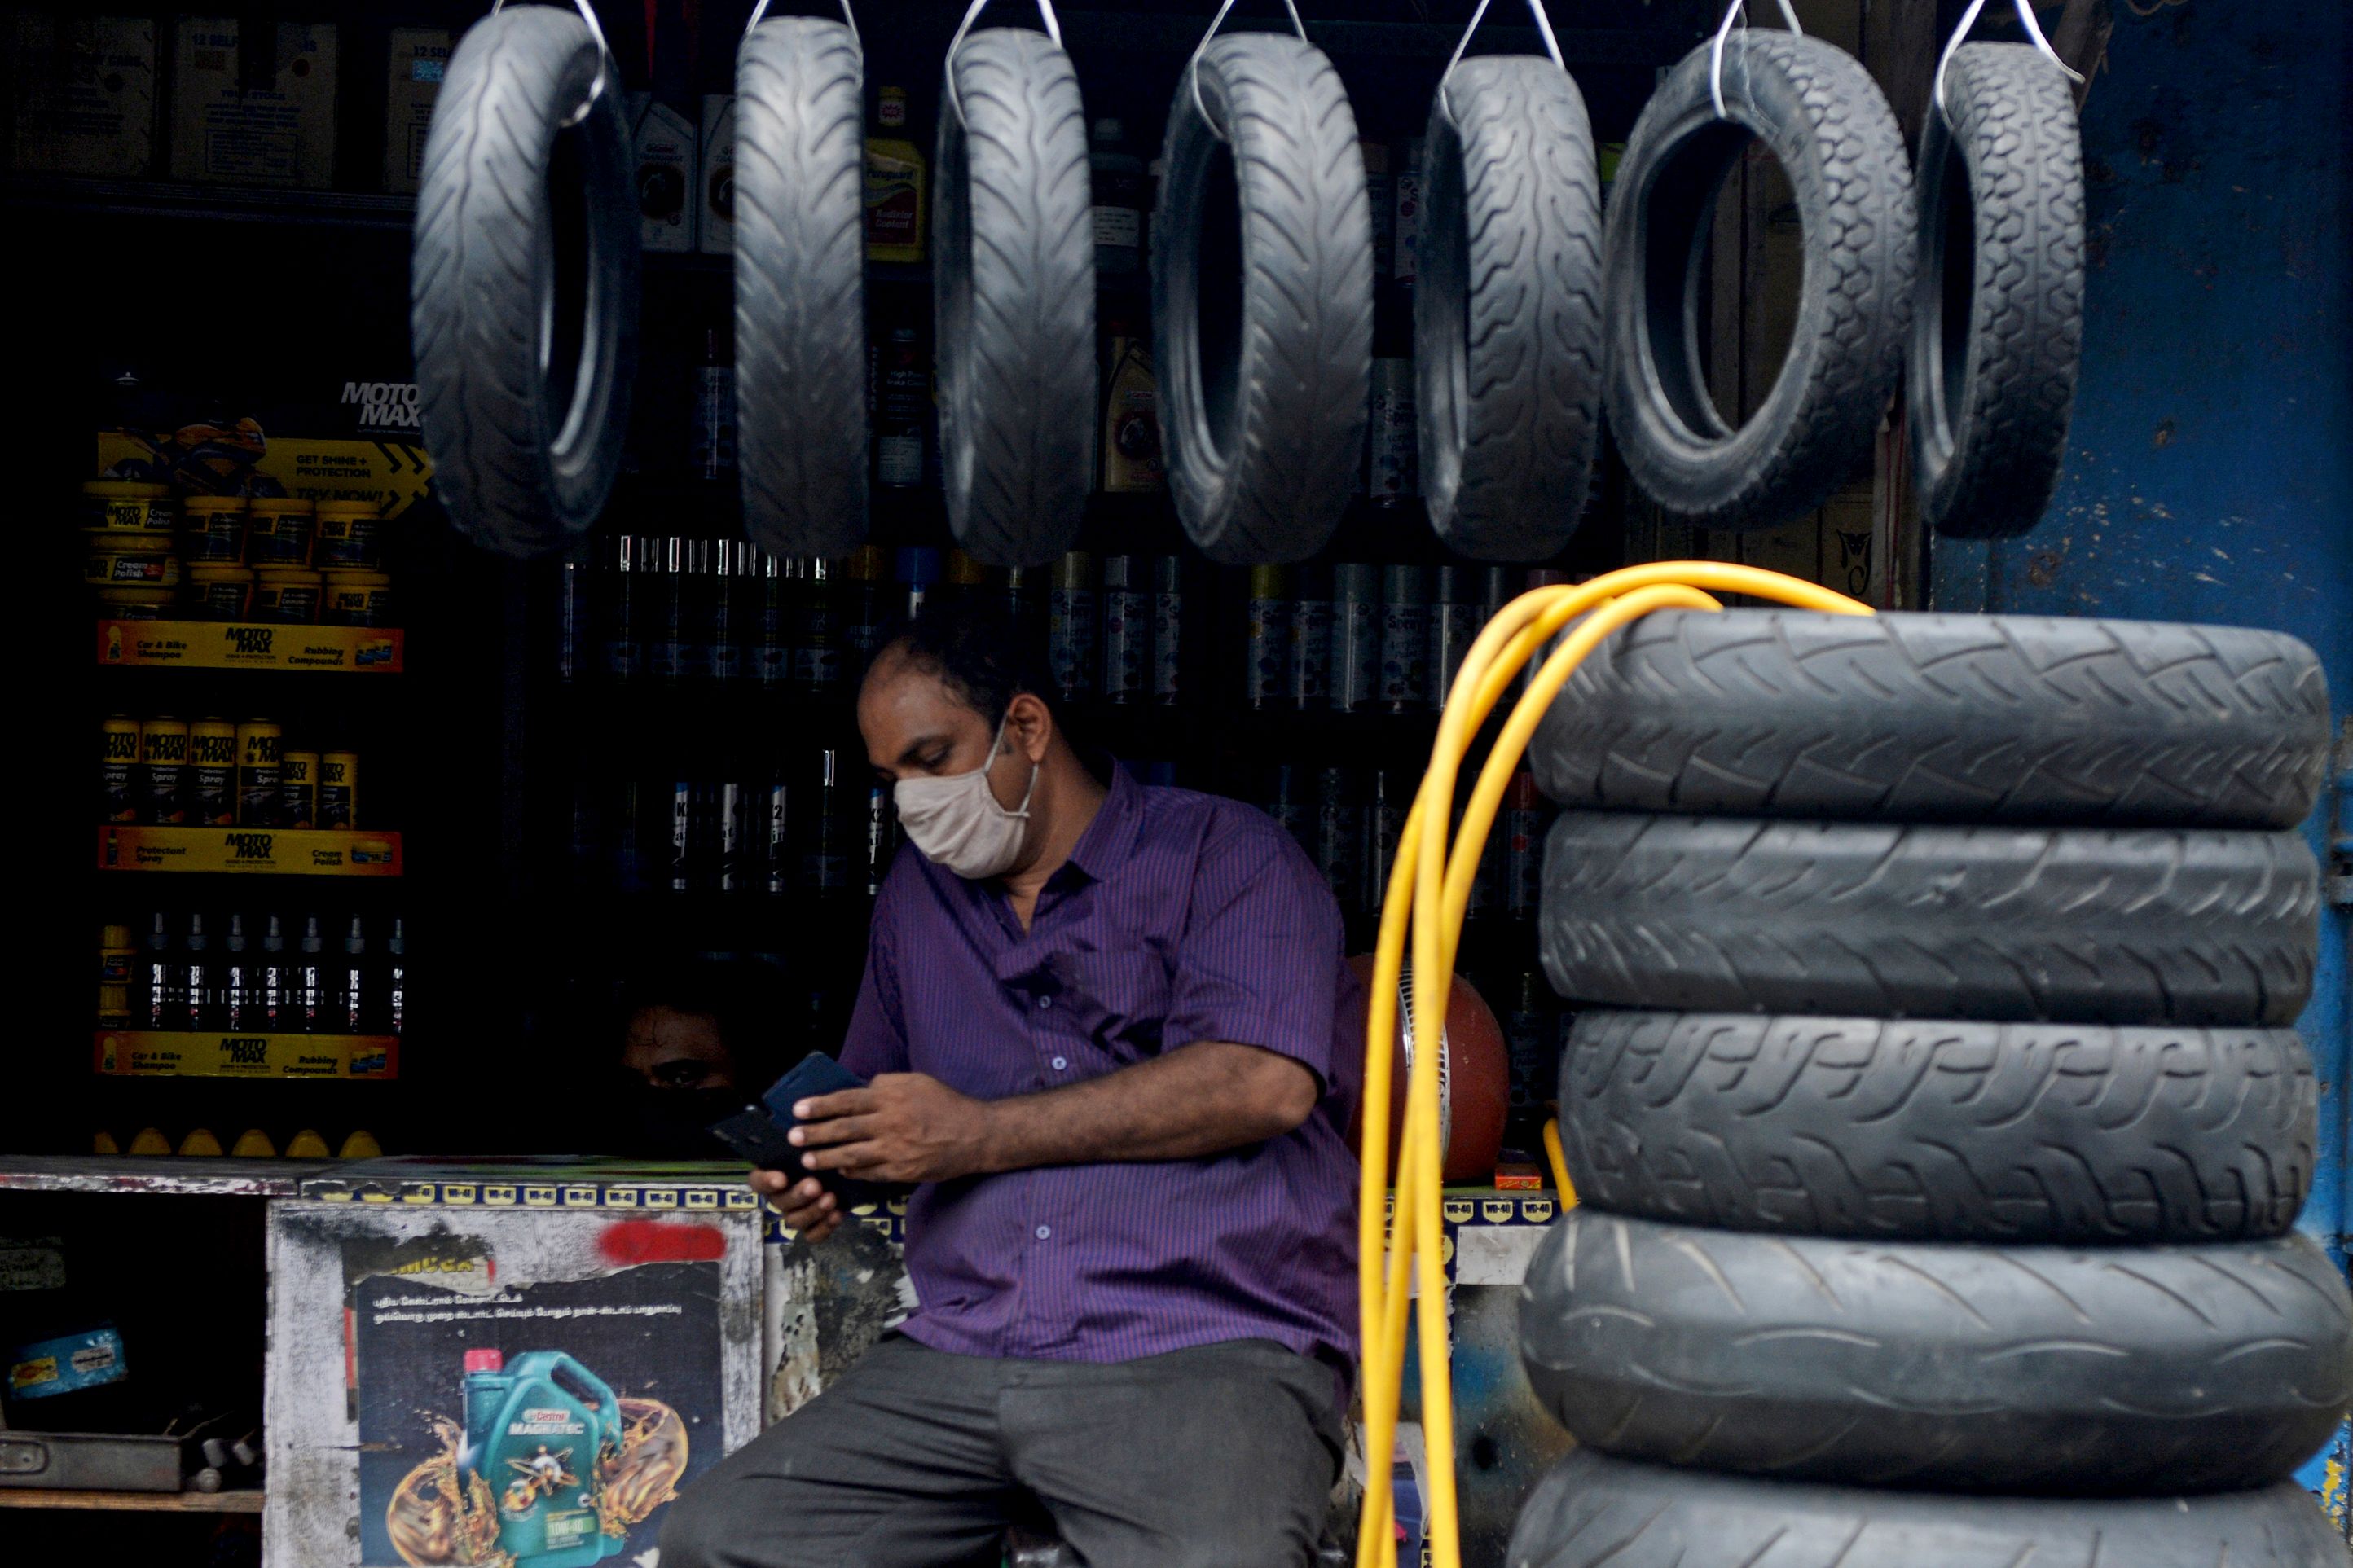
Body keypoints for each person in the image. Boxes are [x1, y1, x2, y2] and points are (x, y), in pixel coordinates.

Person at [659, 604, 1361, 1568]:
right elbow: (888, 1108)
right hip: (965, 1348)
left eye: (932, 757)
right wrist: (834, 1164)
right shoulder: (918, 896)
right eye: (889, 776)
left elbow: (1261, 1083)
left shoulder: (1227, 854)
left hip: (1201, 1343)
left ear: (1025, 729)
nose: (912, 799)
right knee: (724, 1538)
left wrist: (974, 1133)